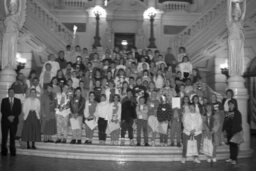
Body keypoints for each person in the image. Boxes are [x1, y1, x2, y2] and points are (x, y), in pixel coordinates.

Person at [1, 88, 22, 156]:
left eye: (12, 92)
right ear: (8, 93)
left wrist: (13, 116)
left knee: (12, 137)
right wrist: (8, 117)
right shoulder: (4, 100)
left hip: (14, 121)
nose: (11, 93)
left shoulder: (18, 101)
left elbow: (19, 110)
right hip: (5, 121)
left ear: (14, 93)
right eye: (10, 92)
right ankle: (4, 151)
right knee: (4, 137)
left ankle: (12, 152)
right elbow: (2, 110)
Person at [223, 99, 243, 165]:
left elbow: (238, 123)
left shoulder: (237, 113)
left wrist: (236, 132)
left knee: (234, 146)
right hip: (229, 132)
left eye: (231, 104)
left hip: (235, 132)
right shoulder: (229, 112)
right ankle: (231, 158)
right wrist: (224, 131)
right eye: (229, 104)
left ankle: (234, 159)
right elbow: (225, 123)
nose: (230, 105)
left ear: (235, 105)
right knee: (231, 146)